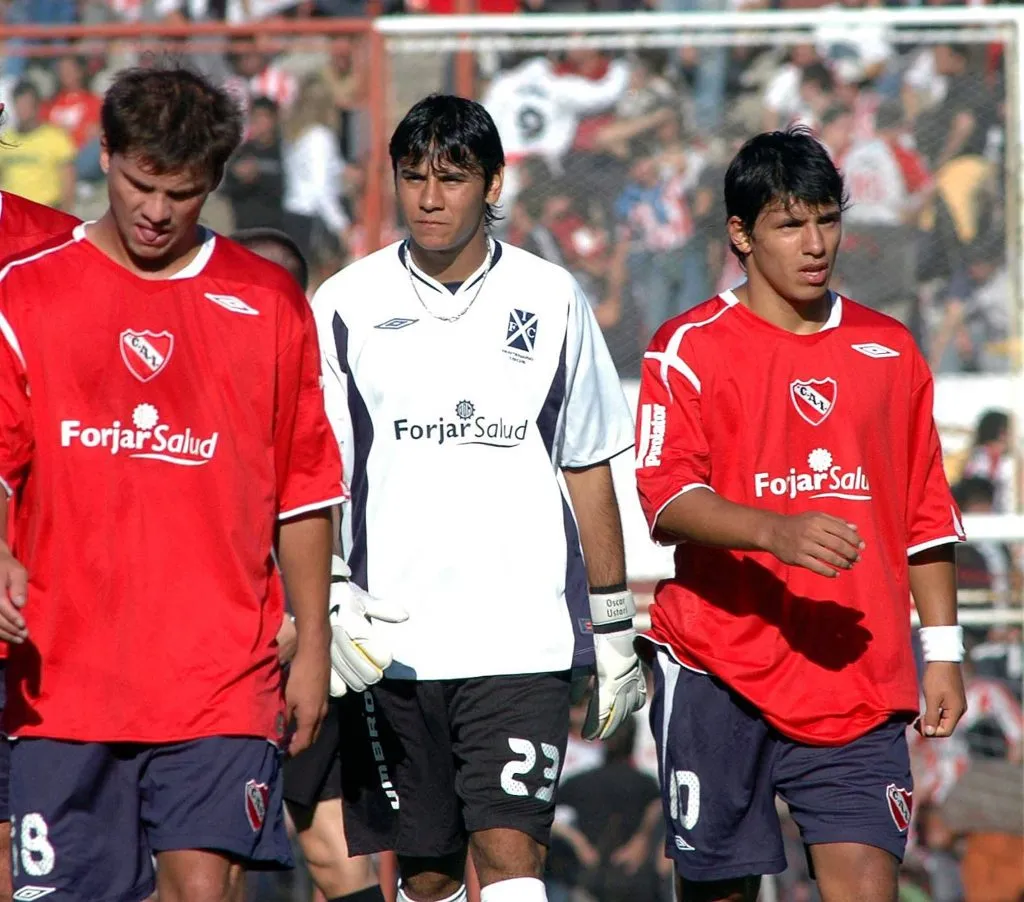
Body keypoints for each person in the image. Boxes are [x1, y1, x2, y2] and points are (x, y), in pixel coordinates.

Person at [0, 65, 343, 902]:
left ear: (215, 182)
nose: (156, 211)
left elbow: (303, 489)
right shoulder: (28, 293)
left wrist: (315, 646)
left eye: (181, 193)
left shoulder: (266, 302)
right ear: (105, 155)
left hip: (218, 676)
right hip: (63, 677)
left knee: (203, 889)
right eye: (139, 183)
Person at [312, 94, 644, 902]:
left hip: (518, 638)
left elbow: (589, 463)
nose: (430, 197)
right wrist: (327, 594)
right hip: (391, 640)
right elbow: (319, 473)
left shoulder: (553, 296)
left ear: (493, 184)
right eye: (414, 176)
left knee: (510, 860)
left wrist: (610, 627)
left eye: (452, 178)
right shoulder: (345, 303)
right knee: (426, 879)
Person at [634, 126, 968, 902]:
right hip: (719, 666)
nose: (816, 243)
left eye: (827, 219)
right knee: (719, 892)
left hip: (856, 670)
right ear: (742, 235)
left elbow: (925, 510)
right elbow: (666, 499)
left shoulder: (890, 351)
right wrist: (774, 532)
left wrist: (944, 647)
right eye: (790, 224)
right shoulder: (685, 346)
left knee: (865, 884)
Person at [232, 224, 386, 902]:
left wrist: (307, 619)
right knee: (208, 853)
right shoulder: (201, 388)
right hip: (216, 656)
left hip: (308, 649)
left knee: (331, 852)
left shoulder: (335, 403)